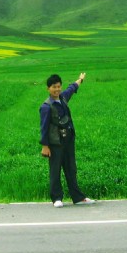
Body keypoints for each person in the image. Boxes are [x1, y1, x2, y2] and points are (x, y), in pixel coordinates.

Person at [39, 71, 96, 208]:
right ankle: (56, 198)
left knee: (71, 169)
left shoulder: (63, 97)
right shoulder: (46, 107)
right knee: (55, 169)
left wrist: (80, 80)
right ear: (48, 89)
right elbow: (44, 127)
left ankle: (77, 197)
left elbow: (72, 88)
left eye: (58, 86)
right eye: (54, 87)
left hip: (68, 140)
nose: (57, 89)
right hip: (55, 143)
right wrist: (45, 146)